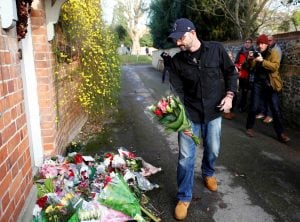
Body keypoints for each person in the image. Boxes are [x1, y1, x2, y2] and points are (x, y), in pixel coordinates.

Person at [168, 18, 238, 220]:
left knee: (213, 148)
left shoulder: (216, 50)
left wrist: (230, 95)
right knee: (185, 158)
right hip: (189, 116)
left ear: (193, 32)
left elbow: (230, 73)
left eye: (181, 38)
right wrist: (178, 116)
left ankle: (208, 172)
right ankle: (184, 197)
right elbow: (177, 90)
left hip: (214, 113)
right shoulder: (177, 61)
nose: (178, 43)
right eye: (175, 40)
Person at [245, 34, 290, 143]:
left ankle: (280, 133)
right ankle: (249, 127)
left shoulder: (273, 52)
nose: (260, 46)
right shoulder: (257, 52)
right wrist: (250, 59)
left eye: (263, 43)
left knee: (275, 109)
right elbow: (251, 67)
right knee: (254, 106)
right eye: (259, 43)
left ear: (267, 44)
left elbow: (275, 67)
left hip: (270, 83)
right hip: (258, 83)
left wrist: (262, 61)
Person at [234, 38, 254, 113]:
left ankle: (242, 106)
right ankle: (235, 105)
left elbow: (253, 66)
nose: (247, 43)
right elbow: (235, 62)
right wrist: (238, 67)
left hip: (248, 76)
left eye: (249, 42)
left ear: (251, 43)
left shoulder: (253, 52)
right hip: (239, 75)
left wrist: (246, 65)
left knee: (245, 93)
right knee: (236, 91)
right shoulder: (240, 51)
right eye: (246, 42)